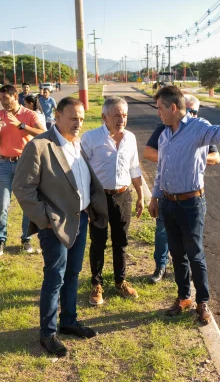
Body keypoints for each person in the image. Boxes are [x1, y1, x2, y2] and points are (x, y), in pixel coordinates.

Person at [13, 97, 108, 357]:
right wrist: (45, 219)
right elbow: (22, 188)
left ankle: (68, 320)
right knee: (55, 276)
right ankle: (47, 332)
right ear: (57, 116)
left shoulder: (78, 144)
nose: (78, 123)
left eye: (81, 118)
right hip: (55, 224)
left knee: (73, 273)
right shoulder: (40, 145)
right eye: (73, 118)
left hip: (80, 218)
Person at [147, 85, 220, 324]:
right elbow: (161, 170)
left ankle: (202, 302)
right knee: (177, 253)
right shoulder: (164, 134)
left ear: (173, 107)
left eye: (160, 108)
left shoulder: (197, 126)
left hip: (191, 203)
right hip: (169, 203)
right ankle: (184, 297)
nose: (158, 113)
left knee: (195, 254)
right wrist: (154, 196)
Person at [143, 94, 220, 284]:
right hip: (168, 195)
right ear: (180, 109)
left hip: (190, 197)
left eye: (195, 111)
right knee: (164, 234)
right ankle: (161, 266)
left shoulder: (200, 130)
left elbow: (216, 157)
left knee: (193, 246)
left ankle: (199, 296)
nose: (191, 115)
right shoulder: (165, 129)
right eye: (189, 110)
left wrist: (190, 155)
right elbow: (148, 153)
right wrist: (176, 154)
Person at [81, 96, 143, 306]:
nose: (121, 119)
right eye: (117, 115)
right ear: (104, 117)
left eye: (124, 115)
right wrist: (85, 200)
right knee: (98, 242)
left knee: (121, 241)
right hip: (99, 197)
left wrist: (141, 195)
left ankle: (120, 281)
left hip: (123, 195)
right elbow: (82, 170)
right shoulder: (90, 138)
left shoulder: (130, 138)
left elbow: (134, 168)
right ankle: (97, 284)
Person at [0, 84, 46, 256]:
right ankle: (0, 240)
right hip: (4, 164)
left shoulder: (29, 114)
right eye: (0, 99)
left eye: (5, 98)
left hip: (25, 164)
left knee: (27, 204)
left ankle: (26, 239)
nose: (2, 102)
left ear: (15, 96)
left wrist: (21, 126)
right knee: (2, 204)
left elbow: (43, 133)